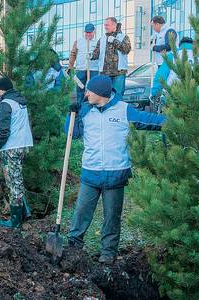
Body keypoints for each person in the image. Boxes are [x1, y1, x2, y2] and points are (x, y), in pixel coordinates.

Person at [65, 75, 166, 264]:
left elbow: (148, 119)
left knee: (112, 216)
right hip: (91, 172)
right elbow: (71, 133)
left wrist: (172, 122)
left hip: (116, 173)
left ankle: (108, 253)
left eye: (89, 91)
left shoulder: (123, 110)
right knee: (81, 212)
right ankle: (74, 246)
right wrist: (72, 113)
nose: (86, 94)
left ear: (101, 94)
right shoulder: (85, 110)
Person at [0, 77, 33, 228]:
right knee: (17, 179)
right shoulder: (18, 101)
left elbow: (2, 131)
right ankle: (24, 212)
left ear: (1, 89)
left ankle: (15, 222)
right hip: (23, 145)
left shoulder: (5, 103)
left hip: (11, 148)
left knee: (13, 184)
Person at [150, 37, 194, 112]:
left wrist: (154, 93)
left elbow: (160, 77)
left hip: (172, 99)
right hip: (196, 100)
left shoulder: (173, 55)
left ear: (180, 45)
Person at [91, 17, 131, 96]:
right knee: (104, 96)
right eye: (105, 25)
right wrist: (91, 55)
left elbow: (126, 50)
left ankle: (117, 108)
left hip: (119, 73)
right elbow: (96, 53)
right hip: (105, 73)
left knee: (117, 95)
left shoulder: (123, 37)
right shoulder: (102, 39)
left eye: (107, 25)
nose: (105, 27)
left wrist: (115, 41)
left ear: (114, 25)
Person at [67, 23, 98, 105]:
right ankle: (80, 107)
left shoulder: (97, 42)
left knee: (93, 90)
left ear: (94, 32)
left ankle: (92, 107)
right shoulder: (78, 41)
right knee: (80, 89)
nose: (88, 34)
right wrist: (70, 67)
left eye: (90, 32)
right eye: (87, 32)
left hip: (93, 70)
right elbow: (73, 54)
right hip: (80, 70)